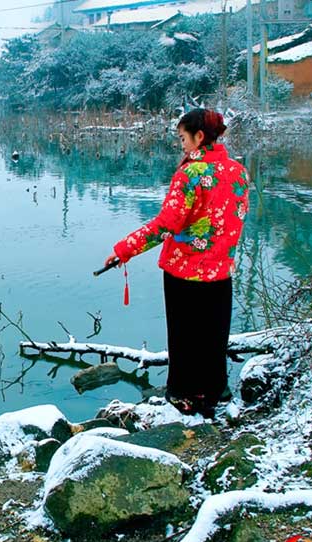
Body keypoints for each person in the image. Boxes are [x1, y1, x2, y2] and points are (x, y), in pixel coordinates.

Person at [104, 108, 250, 418]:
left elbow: (166, 225)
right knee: (214, 333)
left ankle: (184, 396)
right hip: (221, 270)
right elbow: (234, 220)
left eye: (183, 138)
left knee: (184, 335)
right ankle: (215, 392)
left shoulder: (190, 174)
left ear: (199, 137)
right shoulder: (239, 172)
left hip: (185, 270)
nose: (182, 145)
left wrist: (125, 249)